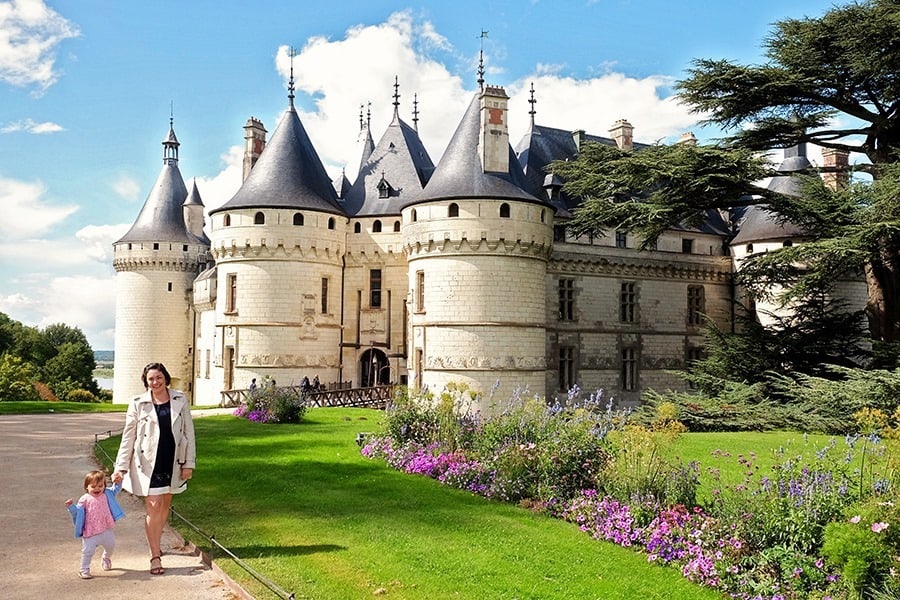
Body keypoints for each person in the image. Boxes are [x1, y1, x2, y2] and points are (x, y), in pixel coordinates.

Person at [112, 362, 195, 576]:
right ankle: (155, 555)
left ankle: (156, 542)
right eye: (151, 379)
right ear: (146, 382)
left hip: (173, 459)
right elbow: (128, 436)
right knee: (154, 505)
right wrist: (120, 467)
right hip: (148, 462)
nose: (155, 382)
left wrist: (189, 463)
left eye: (158, 377)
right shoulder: (138, 403)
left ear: (165, 378)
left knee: (165, 503)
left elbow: (189, 433)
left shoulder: (179, 399)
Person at [65, 469, 125, 579]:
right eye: (93, 486)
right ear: (87, 487)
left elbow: (116, 489)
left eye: (100, 486)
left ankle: (106, 558)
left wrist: (118, 481)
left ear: (104, 486)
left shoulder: (107, 493)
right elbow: (78, 513)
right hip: (91, 531)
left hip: (106, 529)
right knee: (88, 551)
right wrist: (71, 507)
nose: (97, 489)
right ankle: (84, 569)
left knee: (111, 546)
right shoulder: (85, 499)